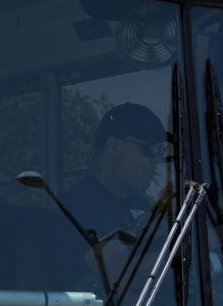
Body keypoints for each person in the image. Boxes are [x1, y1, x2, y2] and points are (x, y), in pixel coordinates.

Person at [65, 102, 172, 246]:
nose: (156, 160)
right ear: (114, 147)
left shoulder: (139, 203)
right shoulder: (78, 206)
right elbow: (111, 267)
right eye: (149, 150)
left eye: (159, 151)